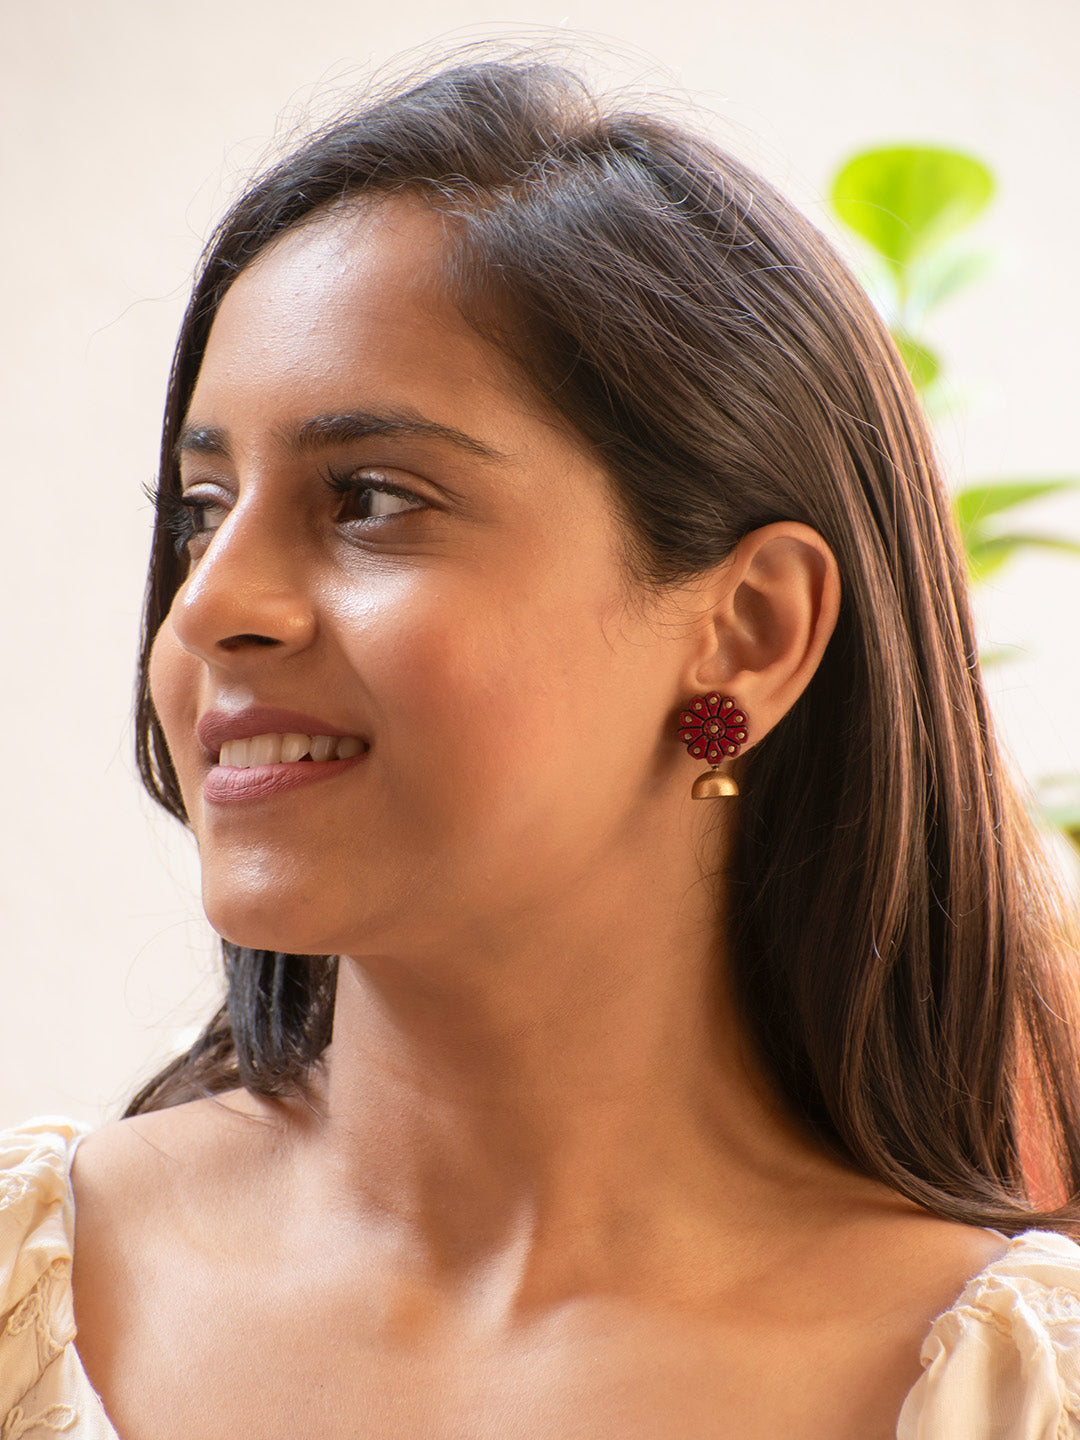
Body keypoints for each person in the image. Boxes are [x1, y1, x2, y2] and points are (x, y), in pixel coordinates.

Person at [3, 54, 1080, 1439]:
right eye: (201, 509)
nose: (208, 607)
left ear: (749, 631)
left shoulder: (1010, 1396)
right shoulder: (34, 1293)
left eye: (371, 498)